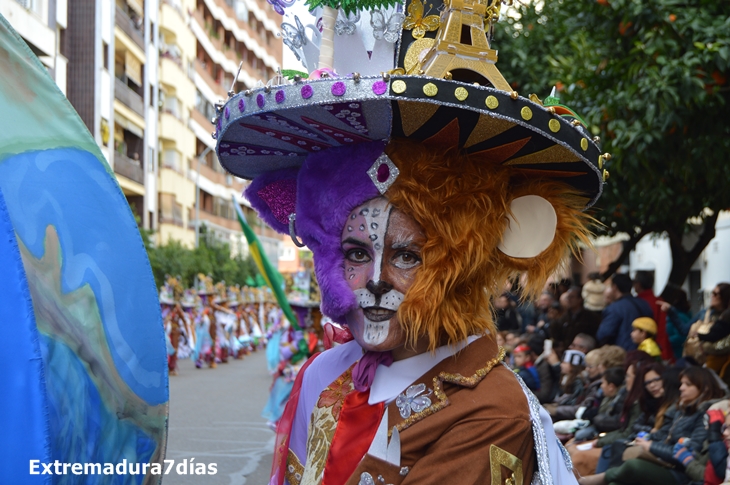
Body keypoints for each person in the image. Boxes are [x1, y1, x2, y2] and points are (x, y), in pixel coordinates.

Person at [216, 1, 605, 480]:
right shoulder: (325, 374)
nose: (376, 282)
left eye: (407, 255)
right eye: (356, 253)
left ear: (466, 262)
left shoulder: (490, 409)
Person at [580, 366, 725, 485]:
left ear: (703, 388)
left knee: (633, 466)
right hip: (667, 461)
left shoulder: (705, 414)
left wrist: (650, 446)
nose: (681, 388)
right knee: (618, 482)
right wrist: (648, 438)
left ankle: (599, 478)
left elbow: (690, 451)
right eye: (681, 384)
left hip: (683, 471)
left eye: (688, 384)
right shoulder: (684, 409)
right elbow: (662, 434)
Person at [597, 274, 654, 350]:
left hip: (623, 354)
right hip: (645, 350)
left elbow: (604, 335)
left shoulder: (614, 308)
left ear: (614, 287)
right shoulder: (644, 304)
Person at [684, 283, 730, 364]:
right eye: (712, 293)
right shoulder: (705, 313)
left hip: (718, 363)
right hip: (698, 360)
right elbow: (684, 330)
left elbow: (719, 341)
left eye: (715, 294)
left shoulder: (726, 317)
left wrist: (701, 339)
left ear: (725, 297)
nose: (712, 296)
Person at [634, 271, 673, 361]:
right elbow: (663, 329)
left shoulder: (636, 303)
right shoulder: (658, 301)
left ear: (638, 284)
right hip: (659, 347)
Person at [551, 286, 602, 356]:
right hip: (567, 352)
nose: (569, 300)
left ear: (580, 299)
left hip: (584, 352)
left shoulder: (591, 317)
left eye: (572, 297)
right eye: (568, 297)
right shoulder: (563, 317)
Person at [659, 289, 693, 359]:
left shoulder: (679, 316)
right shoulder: (673, 315)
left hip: (677, 354)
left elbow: (681, 336)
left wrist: (666, 342)